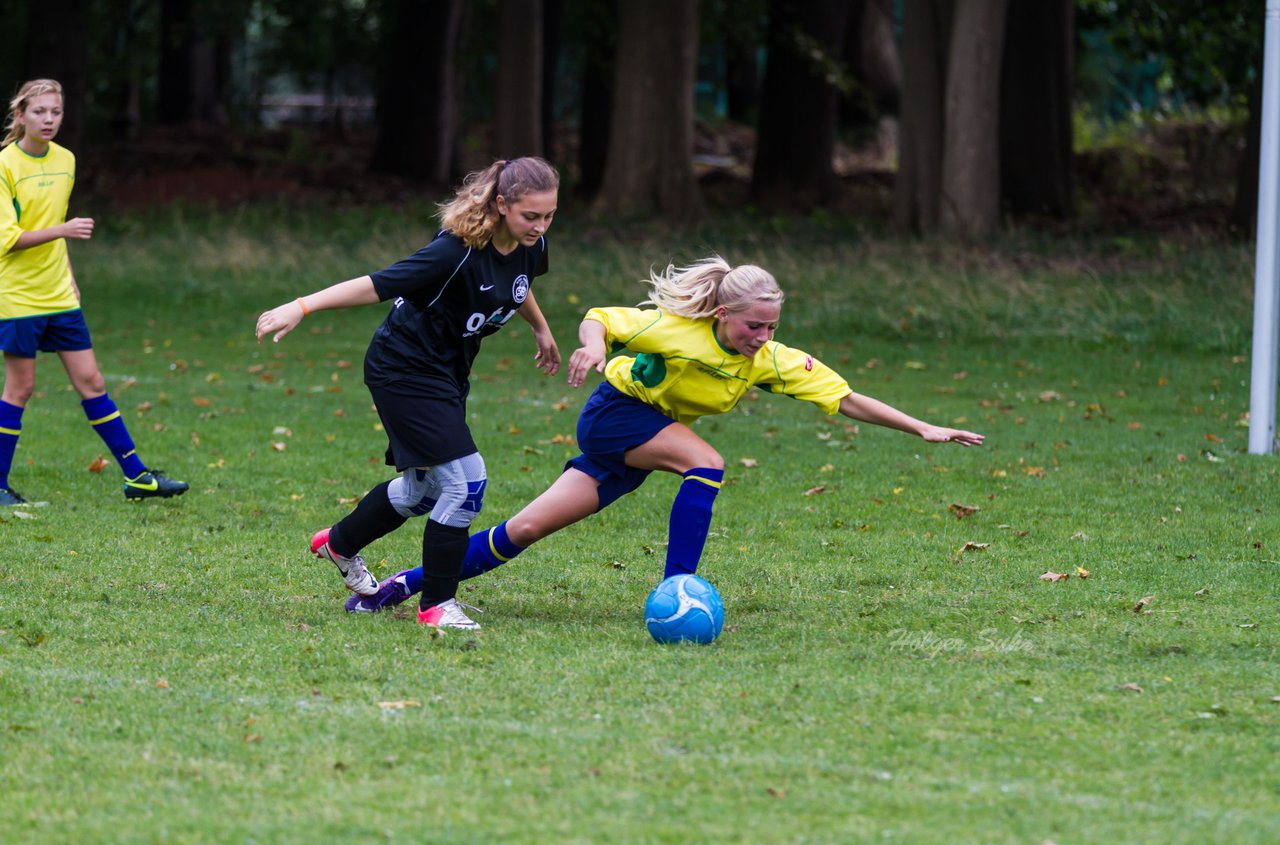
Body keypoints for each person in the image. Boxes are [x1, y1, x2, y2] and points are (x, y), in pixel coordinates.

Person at [343, 255, 985, 615]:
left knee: (523, 532)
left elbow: (847, 399)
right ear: (725, 312)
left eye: (771, 327)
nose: (763, 337)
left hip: (642, 444)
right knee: (707, 463)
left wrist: (922, 426)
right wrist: (591, 349)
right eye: (753, 326)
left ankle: (397, 588)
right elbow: (599, 317)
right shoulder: (674, 328)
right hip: (616, 415)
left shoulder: (770, 361)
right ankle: (679, 590)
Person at [255, 156, 562, 630]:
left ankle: (338, 543)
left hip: (447, 373)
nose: (540, 226)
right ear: (502, 204)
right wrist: (302, 306)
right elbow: (376, 284)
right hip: (403, 370)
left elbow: (518, 285)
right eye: (530, 216)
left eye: (549, 215)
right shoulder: (452, 253)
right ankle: (437, 605)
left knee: (423, 492)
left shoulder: (531, 245)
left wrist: (540, 329)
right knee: (465, 484)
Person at [0, 79, 188, 505]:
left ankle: (137, 476)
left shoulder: (65, 160)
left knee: (92, 381)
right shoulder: (5, 165)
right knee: (20, 389)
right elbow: (8, 239)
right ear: (20, 115)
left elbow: (52, 226)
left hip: (59, 295)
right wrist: (63, 232)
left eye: (56, 112)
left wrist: (68, 273)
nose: (48, 120)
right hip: (18, 296)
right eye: (39, 112)